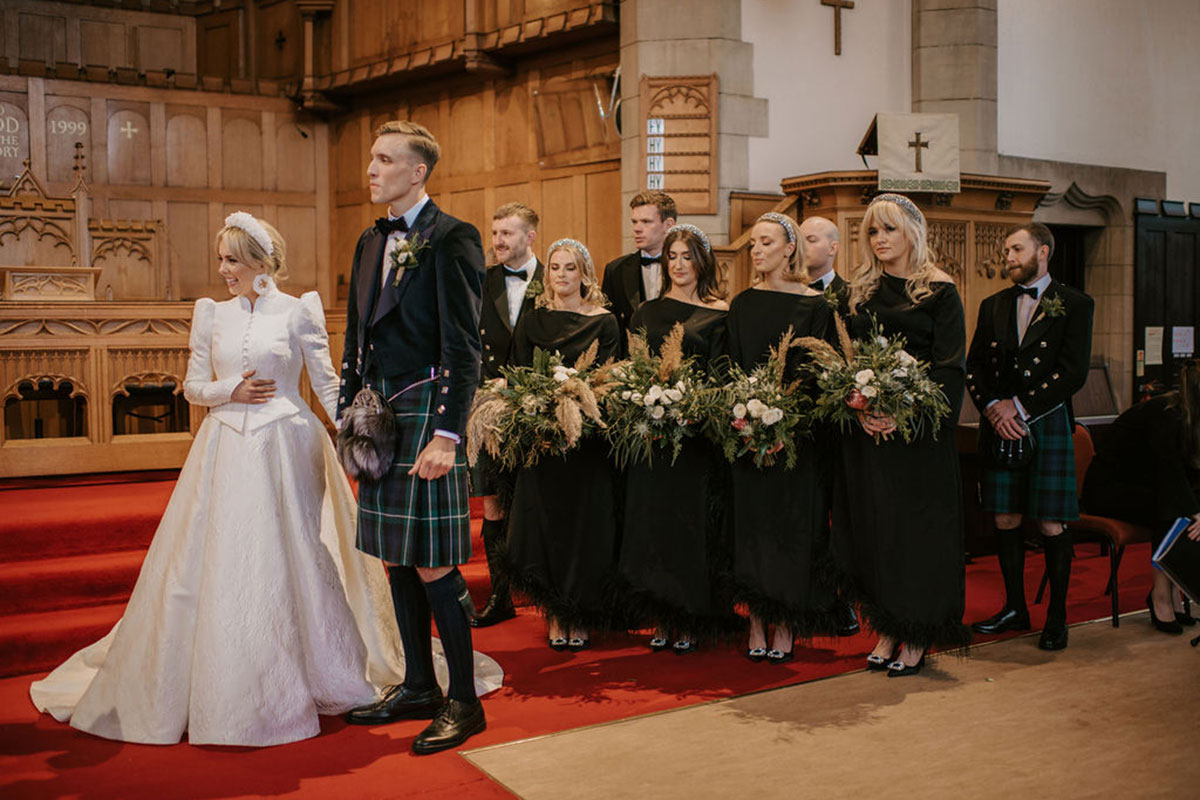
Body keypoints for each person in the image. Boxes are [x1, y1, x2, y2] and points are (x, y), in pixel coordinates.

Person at [29, 213, 427, 747]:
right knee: (218, 560)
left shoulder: (299, 310)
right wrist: (227, 393)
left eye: (233, 260)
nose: (223, 270)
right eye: (221, 259)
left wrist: (364, 436)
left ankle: (308, 671)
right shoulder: (209, 314)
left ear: (262, 263)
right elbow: (192, 386)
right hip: (223, 449)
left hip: (287, 446)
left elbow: (328, 385)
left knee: (289, 559)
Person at [338, 121, 491, 755]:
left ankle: (464, 700)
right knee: (395, 555)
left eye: (384, 160)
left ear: (417, 171)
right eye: (371, 159)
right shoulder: (371, 239)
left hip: (429, 410)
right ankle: (419, 684)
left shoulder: (453, 238)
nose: (371, 170)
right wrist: (349, 414)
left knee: (432, 558)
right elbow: (356, 335)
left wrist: (449, 434)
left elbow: (464, 348)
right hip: (383, 416)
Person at [834, 193, 969, 676]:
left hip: (920, 441)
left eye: (889, 229)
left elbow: (951, 370)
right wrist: (861, 409)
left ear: (913, 231)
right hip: (870, 436)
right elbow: (846, 362)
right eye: (873, 231)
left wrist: (904, 413)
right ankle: (888, 625)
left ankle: (916, 633)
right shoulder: (861, 292)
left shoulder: (939, 290)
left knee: (915, 536)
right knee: (878, 534)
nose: (880, 239)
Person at [966, 222, 1094, 651]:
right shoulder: (993, 305)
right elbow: (975, 367)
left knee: (1050, 522)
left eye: (1016, 249)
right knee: (1005, 517)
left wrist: (1016, 407)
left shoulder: (1075, 303)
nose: (1008, 257)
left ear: (1043, 252)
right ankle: (1015, 607)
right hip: (1000, 423)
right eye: (1006, 251)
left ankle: (1056, 617)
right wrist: (991, 407)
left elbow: (1073, 371)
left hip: (1045, 419)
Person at [727, 212, 838, 664]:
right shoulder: (742, 303)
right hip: (746, 434)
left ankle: (788, 621)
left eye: (767, 243)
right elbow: (732, 368)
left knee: (792, 527)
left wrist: (787, 422)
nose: (757, 251)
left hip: (798, 437)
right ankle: (756, 618)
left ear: (789, 249)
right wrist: (747, 419)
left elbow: (821, 375)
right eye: (754, 244)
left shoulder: (815, 305)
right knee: (751, 528)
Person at [616, 224, 731, 653]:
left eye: (687, 256)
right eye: (673, 257)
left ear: (703, 262)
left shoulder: (721, 312)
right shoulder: (647, 312)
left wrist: (693, 406)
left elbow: (722, 373)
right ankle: (662, 616)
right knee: (655, 526)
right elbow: (634, 368)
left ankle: (692, 615)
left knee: (692, 526)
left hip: (697, 437)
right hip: (653, 438)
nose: (679, 265)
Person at [506, 238, 621, 651]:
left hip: (587, 444)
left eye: (570, 268)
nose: (561, 275)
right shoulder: (534, 320)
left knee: (583, 529)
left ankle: (581, 612)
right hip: (544, 443)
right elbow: (518, 372)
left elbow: (609, 378)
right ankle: (555, 613)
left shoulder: (604, 321)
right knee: (548, 528)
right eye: (555, 267)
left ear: (584, 274)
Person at [1082, 361, 1200, 634]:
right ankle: (1160, 596)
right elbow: (1169, 471)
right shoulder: (1166, 414)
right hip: (1107, 489)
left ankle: (1173, 592)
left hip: (1144, 486)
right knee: (1170, 509)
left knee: (1178, 505)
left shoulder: (1188, 415)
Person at [471, 202, 544, 629]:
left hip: (543, 407)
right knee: (494, 503)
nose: (498, 241)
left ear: (530, 236)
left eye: (508, 234)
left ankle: (542, 589)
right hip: (491, 409)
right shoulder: (481, 282)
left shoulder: (555, 279)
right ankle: (500, 596)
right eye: (495, 233)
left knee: (538, 500)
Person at [798, 214, 858, 637]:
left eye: (812, 238)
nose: (804, 245)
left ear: (834, 247)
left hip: (843, 425)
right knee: (806, 514)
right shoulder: (789, 294)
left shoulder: (852, 297)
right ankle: (807, 597)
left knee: (844, 517)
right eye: (799, 239)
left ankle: (846, 601)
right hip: (799, 424)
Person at [601, 190, 677, 348]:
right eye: (634, 222)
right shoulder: (616, 270)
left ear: (668, 224)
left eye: (646, 222)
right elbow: (610, 328)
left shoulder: (686, 269)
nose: (637, 228)